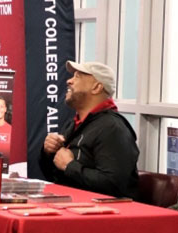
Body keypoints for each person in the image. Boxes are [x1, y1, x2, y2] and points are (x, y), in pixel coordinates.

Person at [40, 60, 139, 200]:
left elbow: (114, 184)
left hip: (103, 215)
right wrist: (48, 152)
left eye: (78, 76)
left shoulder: (112, 128)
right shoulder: (74, 124)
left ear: (97, 87)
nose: (69, 81)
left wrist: (70, 166)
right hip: (72, 204)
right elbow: (54, 175)